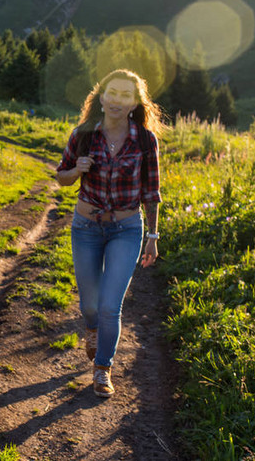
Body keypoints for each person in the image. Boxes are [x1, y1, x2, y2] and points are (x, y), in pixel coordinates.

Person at [55, 68, 164, 398]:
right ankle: (91, 328)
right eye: (112, 93)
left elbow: (151, 191)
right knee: (90, 304)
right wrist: (77, 169)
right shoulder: (83, 135)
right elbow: (62, 176)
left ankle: (103, 369)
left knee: (109, 305)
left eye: (125, 95)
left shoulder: (145, 140)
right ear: (101, 97)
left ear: (134, 103)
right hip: (86, 227)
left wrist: (153, 236)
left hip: (127, 229)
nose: (117, 100)